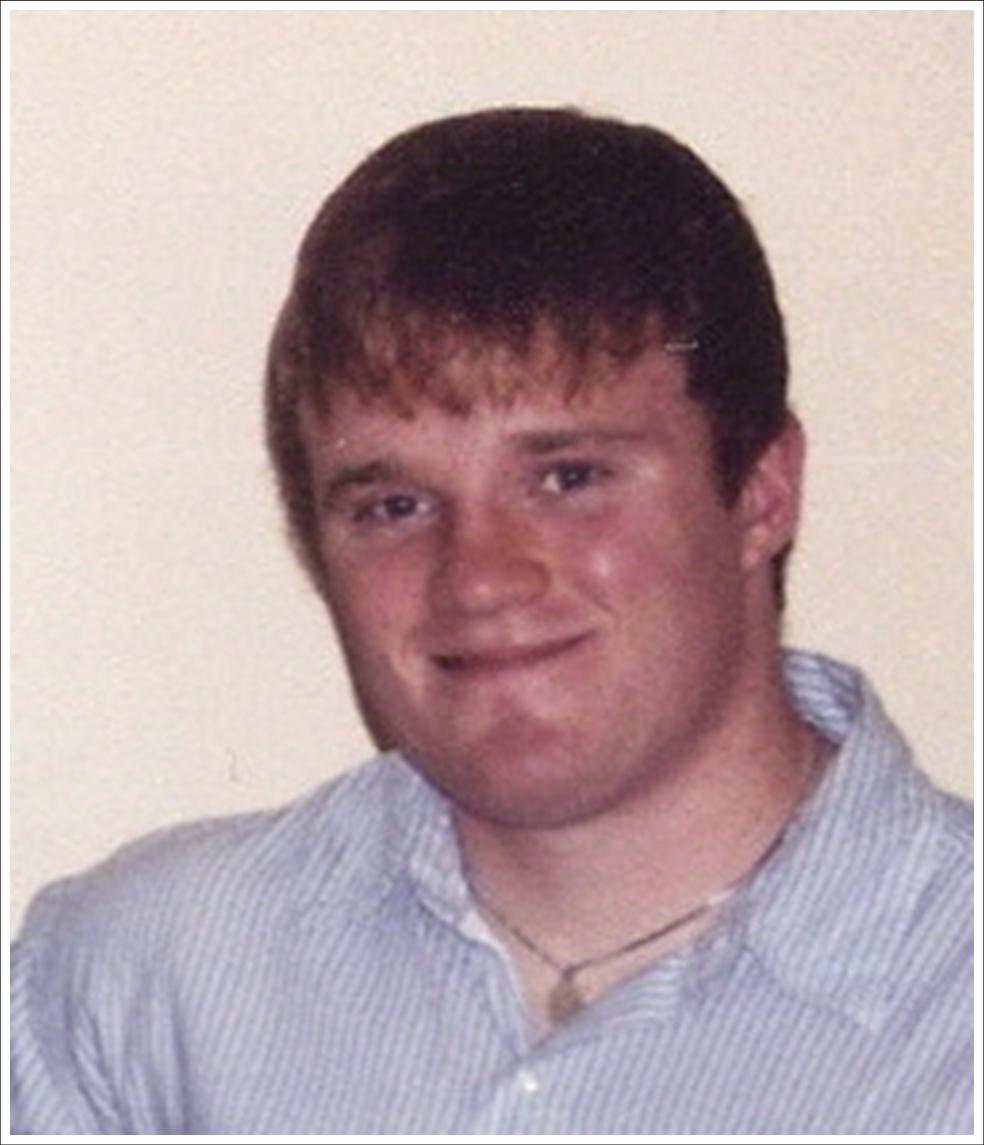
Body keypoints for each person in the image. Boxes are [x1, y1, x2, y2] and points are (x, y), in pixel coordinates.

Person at [11, 107, 972, 1135]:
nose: (477, 578)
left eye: (569, 478)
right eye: (395, 506)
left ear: (762, 492)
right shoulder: (137, 993)